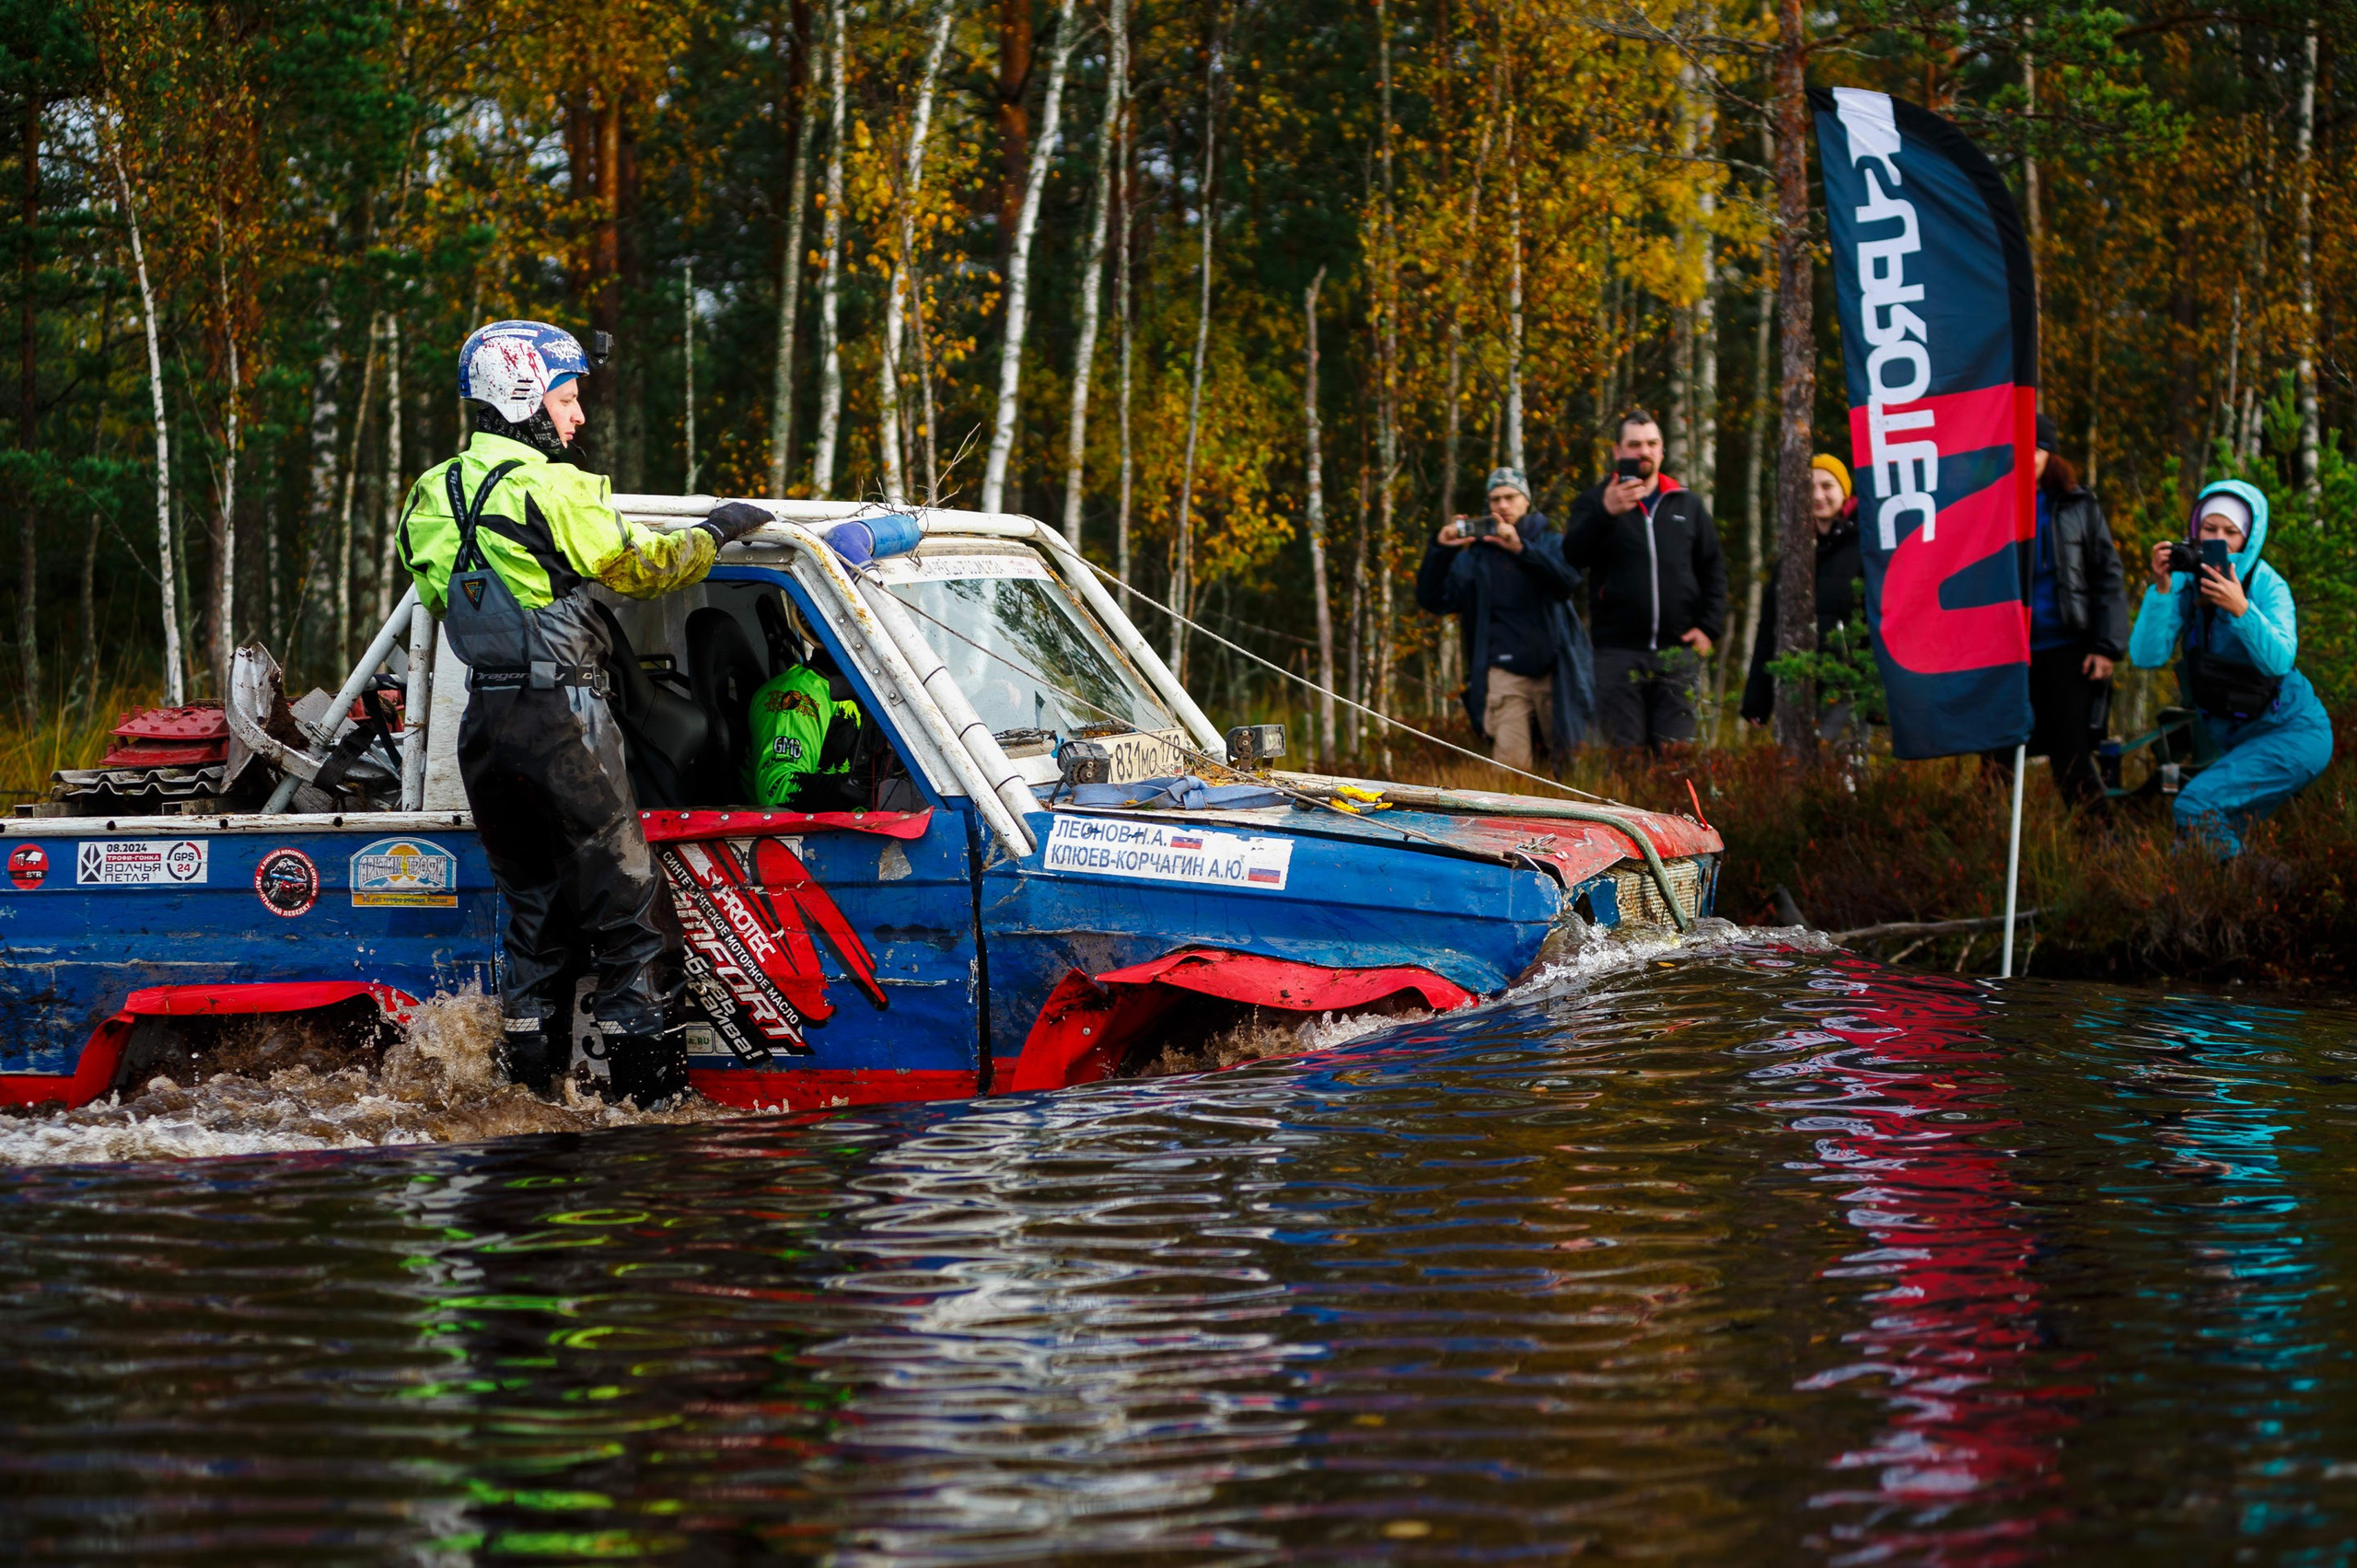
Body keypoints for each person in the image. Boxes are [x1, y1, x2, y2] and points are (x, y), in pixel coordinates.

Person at [399, 320, 769, 1104]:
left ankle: (524, 1107)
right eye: (566, 398)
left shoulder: (429, 494)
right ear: (525, 398)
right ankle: (651, 1114)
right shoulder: (557, 488)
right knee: (632, 917)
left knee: (534, 919)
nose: (579, 416)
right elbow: (643, 569)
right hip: (562, 719)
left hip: (485, 729)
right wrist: (718, 529)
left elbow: (437, 595)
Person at [2128, 480, 2332, 857]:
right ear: (2195, 529)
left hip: (2294, 734)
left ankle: (2264, 884)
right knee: (2191, 848)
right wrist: (2161, 589)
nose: (2218, 540)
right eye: (2209, 528)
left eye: (2230, 532)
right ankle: (2259, 888)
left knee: (2195, 806)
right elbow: (2146, 656)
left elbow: (2280, 660)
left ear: (2248, 537)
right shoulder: (2185, 583)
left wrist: (2241, 610)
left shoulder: (2266, 585)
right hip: (2242, 741)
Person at [1561, 411, 1727, 750]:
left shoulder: (1688, 504)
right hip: (1617, 653)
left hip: (1678, 651)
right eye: (1635, 444)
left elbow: (1713, 570)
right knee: (1626, 757)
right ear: (1617, 451)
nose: (1644, 451)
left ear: (1662, 450)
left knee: (1677, 754)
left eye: (1652, 443)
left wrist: (1709, 628)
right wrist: (1606, 513)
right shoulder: (1595, 501)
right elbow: (1572, 556)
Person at [1986, 414, 2130, 808]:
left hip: (2066, 648)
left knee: (2071, 756)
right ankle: (1987, 836)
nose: (2024, 457)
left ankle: (2097, 840)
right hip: (2005, 652)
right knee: (1996, 756)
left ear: (2049, 454)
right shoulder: (1988, 504)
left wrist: (2106, 646)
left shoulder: (2078, 506)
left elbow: (2108, 576)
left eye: (2033, 449)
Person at [1413, 466, 1593, 773]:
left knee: (1567, 764)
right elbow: (1434, 599)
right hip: (1503, 673)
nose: (1503, 505)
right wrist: (1440, 550)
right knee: (1512, 769)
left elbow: (1566, 583)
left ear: (1526, 501)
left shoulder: (1550, 543)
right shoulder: (1475, 557)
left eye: (1511, 497)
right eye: (1496, 499)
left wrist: (1521, 549)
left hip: (1556, 671)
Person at [1742, 453, 1864, 738]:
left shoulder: (1865, 548)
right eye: (1809, 487)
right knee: (1794, 762)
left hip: (1847, 690)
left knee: (1838, 761)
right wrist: (1758, 699)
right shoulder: (1791, 553)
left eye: (1827, 486)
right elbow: (1769, 628)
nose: (1818, 495)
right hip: (1796, 689)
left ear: (1844, 492)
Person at [747, 641, 868, 809]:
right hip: (807, 826)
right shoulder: (798, 696)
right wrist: (867, 787)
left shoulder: (862, 692)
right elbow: (778, 790)